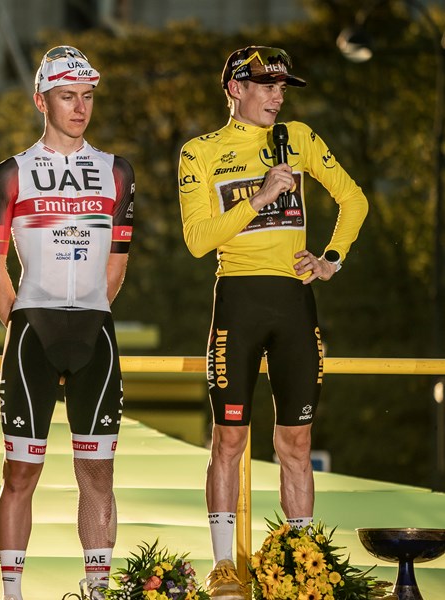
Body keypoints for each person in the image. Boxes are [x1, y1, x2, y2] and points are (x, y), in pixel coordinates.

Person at [177, 46, 368, 598]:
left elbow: (353, 200)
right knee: (228, 440)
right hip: (236, 299)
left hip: (294, 301)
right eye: (265, 85)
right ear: (235, 88)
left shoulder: (300, 139)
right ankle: (222, 570)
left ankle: (300, 566)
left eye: (283, 86)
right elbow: (197, 241)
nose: (278, 96)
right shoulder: (201, 151)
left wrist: (332, 258)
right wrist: (261, 196)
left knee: (298, 442)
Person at [0, 46, 135, 600]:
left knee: (98, 474)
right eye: (68, 96)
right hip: (32, 330)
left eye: (88, 96)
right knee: (20, 474)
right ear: (42, 100)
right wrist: (25, 325)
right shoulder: (12, 173)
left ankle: (98, 591)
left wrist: (90, 313)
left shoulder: (116, 170)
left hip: (95, 330)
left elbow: (117, 264)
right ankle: (13, 593)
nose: (80, 107)